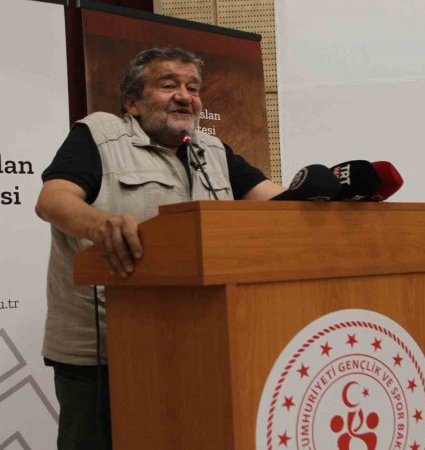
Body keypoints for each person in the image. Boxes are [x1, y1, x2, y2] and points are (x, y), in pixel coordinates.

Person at [35, 47, 284, 450]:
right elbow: (52, 199)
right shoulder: (99, 135)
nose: (185, 96)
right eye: (168, 85)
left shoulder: (212, 151)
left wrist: (330, 196)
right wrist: (100, 224)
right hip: (102, 353)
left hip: (191, 340)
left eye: (193, 88)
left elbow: (276, 202)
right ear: (132, 103)